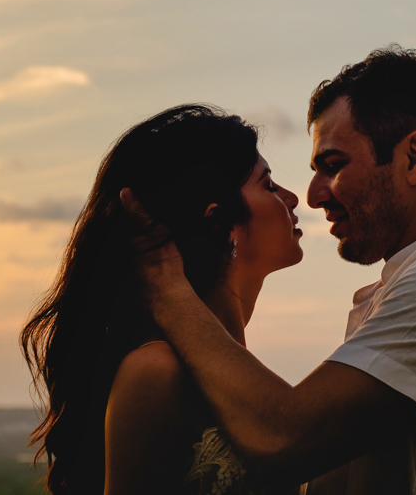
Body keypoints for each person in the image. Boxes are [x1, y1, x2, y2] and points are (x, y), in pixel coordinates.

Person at [127, 47, 416, 495]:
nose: (313, 196)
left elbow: (282, 438)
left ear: (414, 157)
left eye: (333, 166)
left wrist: (168, 291)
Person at [21, 104, 306, 495]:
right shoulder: (157, 370)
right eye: (269, 185)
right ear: (220, 223)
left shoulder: (238, 371)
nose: (293, 198)